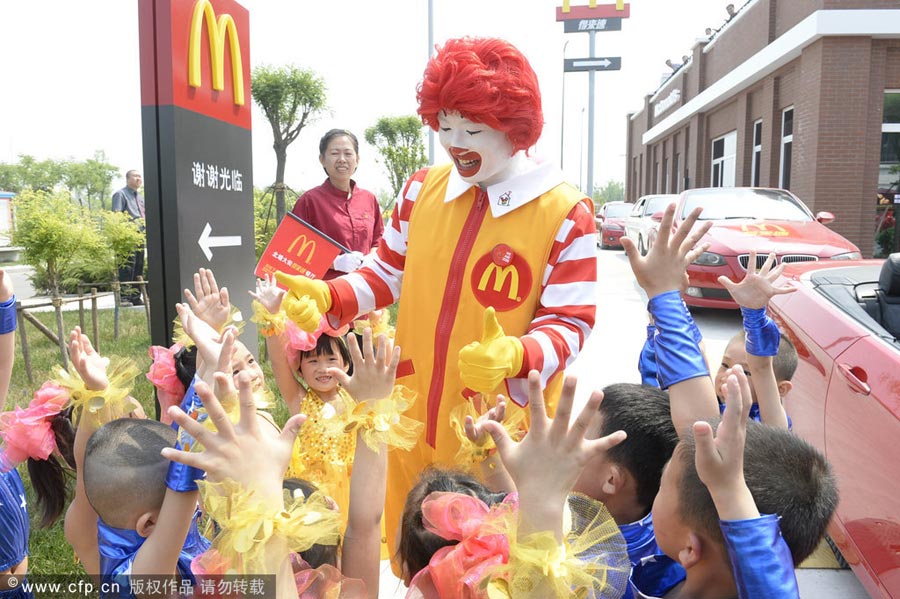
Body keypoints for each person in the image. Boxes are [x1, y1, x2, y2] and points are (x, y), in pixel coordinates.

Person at [276, 37, 598, 562]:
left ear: (514, 127)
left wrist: (517, 354)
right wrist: (330, 294)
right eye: (445, 127)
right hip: (409, 412)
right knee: (410, 551)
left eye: (471, 129)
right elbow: (384, 272)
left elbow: (572, 321)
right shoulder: (421, 189)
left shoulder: (565, 211)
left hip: (494, 431)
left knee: (482, 567)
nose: (455, 142)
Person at [620, 204, 838, 597]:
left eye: (663, 486)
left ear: (690, 547)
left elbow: (701, 414)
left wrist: (666, 297)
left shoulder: (629, 560)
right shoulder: (752, 482)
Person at [291, 129, 384, 279]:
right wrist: (334, 262)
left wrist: (371, 258)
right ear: (322, 159)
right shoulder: (309, 201)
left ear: (357, 159)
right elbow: (292, 247)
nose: (342, 159)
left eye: (348, 153)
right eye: (334, 153)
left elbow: (378, 239)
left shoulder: (369, 199)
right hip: (325, 291)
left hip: (365, 288)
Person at [111, 170, 146, 306]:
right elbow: (117, 216)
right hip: (126, 238)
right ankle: (124, 298)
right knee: (127, 268)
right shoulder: (120, 195)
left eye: (140, 176)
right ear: (127, 179)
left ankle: (135, 297)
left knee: (138, 266)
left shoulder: (141, 198)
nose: (138, 179)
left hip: (140, 237)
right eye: (135, 176)